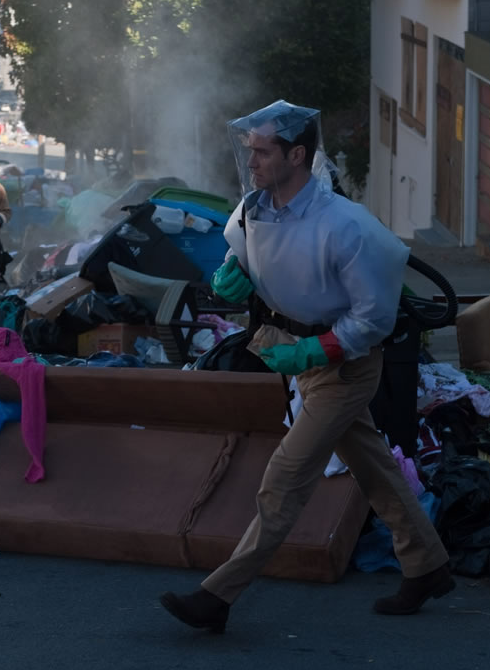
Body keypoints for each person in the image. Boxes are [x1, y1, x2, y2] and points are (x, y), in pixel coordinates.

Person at [160, 100, 453, 633]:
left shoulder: (346, 226)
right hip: (300, 357)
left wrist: (317, 351)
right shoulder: (255, 210)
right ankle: (428, 565)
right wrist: (235, 276)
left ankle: (218, 597)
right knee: (374, 468)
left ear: (297, 155)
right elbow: (251, 259)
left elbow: (374, 316)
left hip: (345, 367)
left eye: (263, 151)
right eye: (249, 150)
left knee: (284, 479)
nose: (252, 162)